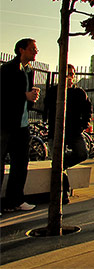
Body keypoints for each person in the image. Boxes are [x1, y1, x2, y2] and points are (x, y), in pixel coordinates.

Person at [0, 38, 40, 212]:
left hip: (22, 124)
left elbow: (26, 95)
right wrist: (24, 95)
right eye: (32, 48)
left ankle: (15, 200)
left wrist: (31, 97)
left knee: (21, 163)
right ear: (21, 50)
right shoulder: (7, 69)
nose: (35, 51)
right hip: (6, 123)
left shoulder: (29, 71)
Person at [43, 64, 92, 204]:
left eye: (72, 73)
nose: (70, 76)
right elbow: (47, 107)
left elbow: (87, 109)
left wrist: (84, 124)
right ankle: (62, 193)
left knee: (82, 153)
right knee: (58, 161)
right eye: (67, 73)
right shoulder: (54, 91)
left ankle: (62, 164)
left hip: (74, 131)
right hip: (56, 131)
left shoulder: (79, 93)